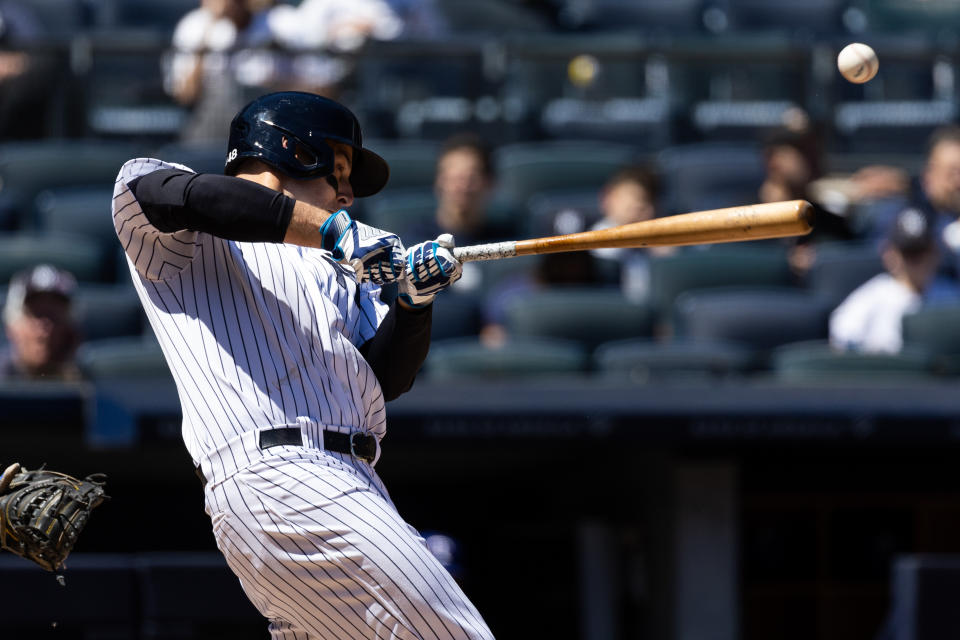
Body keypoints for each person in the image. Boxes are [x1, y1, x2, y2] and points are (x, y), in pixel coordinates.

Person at [111, 91, 491, 639]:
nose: (349, 192)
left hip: (347, 478)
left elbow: (384, 380)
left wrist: (412, 303)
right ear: (292, 152)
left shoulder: (340, 269)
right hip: (282, 474)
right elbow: (175, 194)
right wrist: (336, 233)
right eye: (340, 170)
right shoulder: (194, 231)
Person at [829, 206, 956, 354]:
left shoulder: (952, 296)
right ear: (890, 255)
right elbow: (840, 340)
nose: (917, 261)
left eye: (922, 252)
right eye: (909, 254)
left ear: (936, 252)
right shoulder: (870, 298)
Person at [165, 0, 279, 143]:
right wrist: (210, 27)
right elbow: (186, 94)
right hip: (208, 132)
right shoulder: (194, 26)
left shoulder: (273, 23)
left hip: (261, 130)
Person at [589, 164, 669, 303]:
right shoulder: (589, 248)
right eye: (634, 202)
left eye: (649, 202)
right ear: (607, 198)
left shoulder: (659, 251)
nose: (642, 209)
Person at [0, 264, 83, 381]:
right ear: (12, 327)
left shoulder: (93, 381)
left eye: (53, 316)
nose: (45, 327)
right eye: (35, 315)